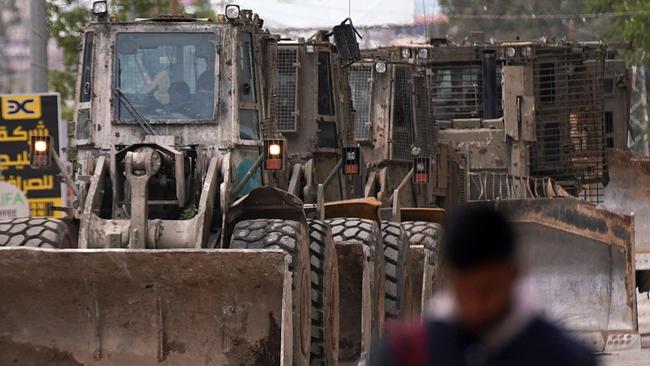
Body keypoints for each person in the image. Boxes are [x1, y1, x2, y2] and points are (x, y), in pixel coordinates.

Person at [371, 206, 597, 366]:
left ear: (514, 274)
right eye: (463, 291)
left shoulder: (565, 357)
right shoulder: (404, 353)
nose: (475, 307)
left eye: (487, 291)